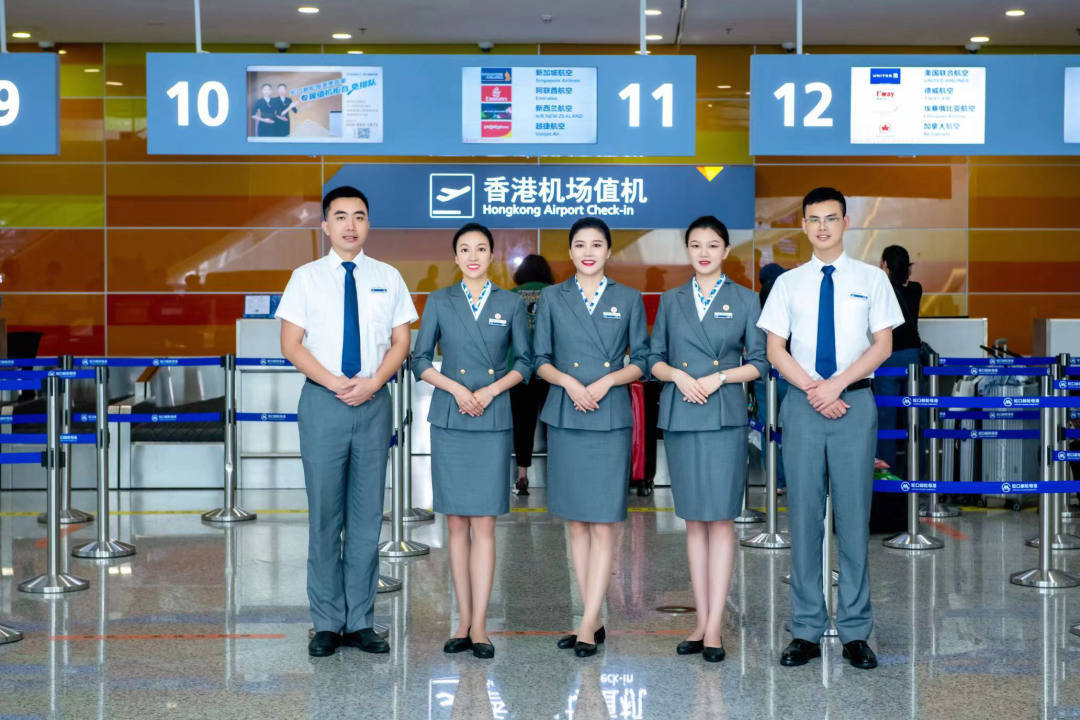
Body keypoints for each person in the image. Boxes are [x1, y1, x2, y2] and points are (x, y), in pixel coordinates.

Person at [757, 187, 903, 671]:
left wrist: (837, 385)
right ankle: (805, 629)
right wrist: (814, 389)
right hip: (802, 406)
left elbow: (882, 345)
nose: (822, 227)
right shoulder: (788, 283)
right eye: (814, 219)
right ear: (803, 225)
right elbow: (775, 349)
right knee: (803, 518)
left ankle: (856, 631)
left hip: (854, 404)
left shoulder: (871, 279)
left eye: (831, 218)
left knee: (853, 519)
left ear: (845, 223)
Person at [277, 185, 418, 658]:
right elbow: (291, 344)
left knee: (366, 516)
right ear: (325, 225)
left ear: (368, 224)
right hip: (324, 403)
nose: (350, 225)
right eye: (340, 216)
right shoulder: (305, 278)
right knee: (324, 516)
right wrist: (337, 383)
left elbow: (401, 341)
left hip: (373, 403)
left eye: (359, 216)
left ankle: (360, 621)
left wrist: (374, 382)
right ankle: (326, 622)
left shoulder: (388, 276)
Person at [648, 216, 767, 662]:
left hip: (723, 416)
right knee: (694, 521)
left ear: (725, 251)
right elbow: (653, 358)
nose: (704, 252)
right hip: (682, 414)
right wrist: (676, 376)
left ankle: (715, 625)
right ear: (687, 250)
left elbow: (760, 362)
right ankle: (700, 620)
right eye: (696, 244)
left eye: (712, 245)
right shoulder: (672, 299)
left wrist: (719, 378)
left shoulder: (746, 299)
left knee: (720, 521)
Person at [412, 223, 533, 660]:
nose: (473, 256)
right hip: (451, 416)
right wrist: (456, 389)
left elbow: (525, 362)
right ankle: (461, 621)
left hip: (492, 417)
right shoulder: (439, 300)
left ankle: (479, 624)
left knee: (484, 524)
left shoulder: (510, 302)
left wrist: (490, 391)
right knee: (455, 525)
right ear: (456, 257)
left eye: (481, 248)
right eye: (465, 249)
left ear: (491, 255)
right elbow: (419, 360)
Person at [533, 217, 649, 658]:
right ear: (570, 251)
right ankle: (591, 619)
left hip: (609, 415)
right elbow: (539, 359)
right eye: (580, 244)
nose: (588, 252)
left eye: (596, 244)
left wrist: (606, 381)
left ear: (608, 251)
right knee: (576, 523)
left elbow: (643, 359)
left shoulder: (628, 298)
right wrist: (567, 381)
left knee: (603, 522)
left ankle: (586, 623)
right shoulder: (552, 296)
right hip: (567, 413)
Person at [508, 254, 554, 495]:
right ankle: (557, 475)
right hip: (551, 370)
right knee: (553, 425)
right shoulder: (555, 294)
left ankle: (522, 476)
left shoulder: (511, 296)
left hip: (518, 371)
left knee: (521, 424)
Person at [874, 245, 923, 474]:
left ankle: (887, 472)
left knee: (886, 419)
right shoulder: (916, 289)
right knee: (915, 418)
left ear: (885, 265)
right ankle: (918, 472)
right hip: (912, 358)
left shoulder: (881, 290)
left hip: (888, 358)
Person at [755, 263, 790, 495]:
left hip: (762, 376)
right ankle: (792, 477)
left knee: (767, 426)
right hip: (789, 375)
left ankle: (774, 480)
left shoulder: (756, 307)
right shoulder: (789, 303)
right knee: (791, 426)